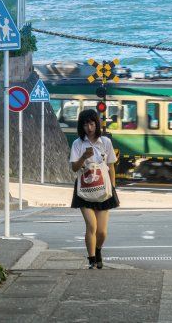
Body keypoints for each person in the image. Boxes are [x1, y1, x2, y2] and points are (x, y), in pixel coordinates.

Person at [70, 108, 118, 269]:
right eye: (85, 125)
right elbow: (74, 168)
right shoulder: (78, 144)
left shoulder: (106, 142)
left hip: (104, 189)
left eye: (91, 124)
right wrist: (83, 156)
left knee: (102, 231)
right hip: (84, 189)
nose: (89, 128)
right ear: (81, 126)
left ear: (96, 124)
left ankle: (98, 250)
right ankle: (91, 259)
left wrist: (113, 186)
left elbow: (111, 166)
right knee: (91, 225)